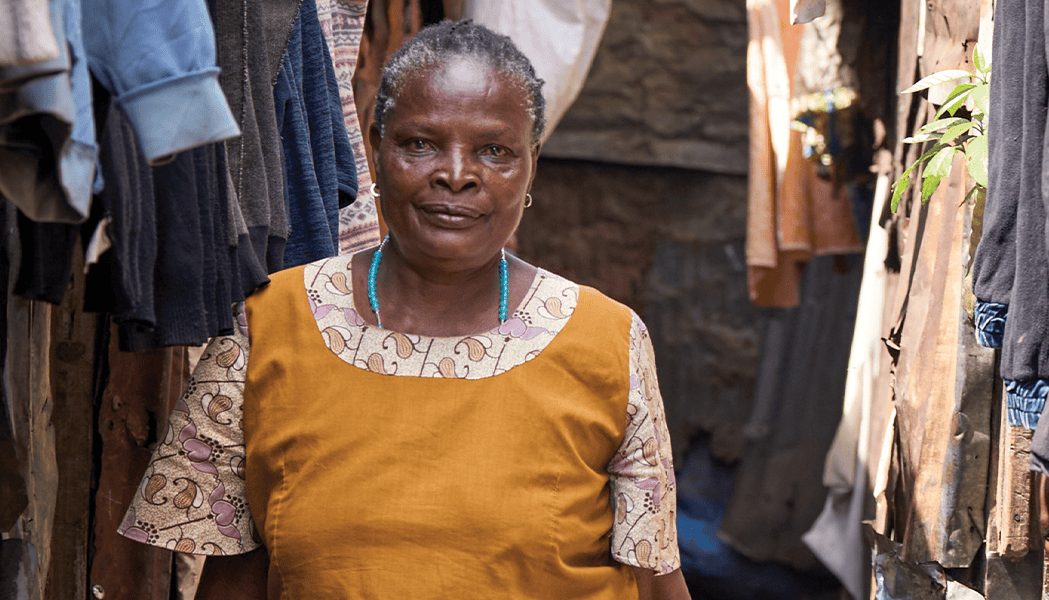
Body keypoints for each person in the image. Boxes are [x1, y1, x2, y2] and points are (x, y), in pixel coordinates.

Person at [118, 20, 691, 599]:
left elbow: (656, 579)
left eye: (494, 151)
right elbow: (234, 576)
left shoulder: (606, 339)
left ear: (531, 167)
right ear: (374, 148)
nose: (457, 175)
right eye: (420, 143)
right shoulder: (268, 324)